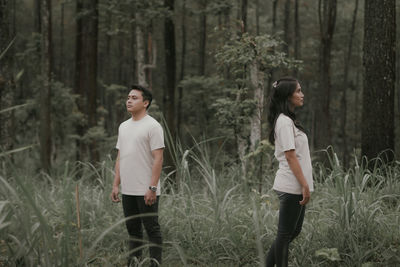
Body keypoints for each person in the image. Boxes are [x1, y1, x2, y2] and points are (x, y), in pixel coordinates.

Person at [111, 85, 164, 267]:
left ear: (146, 103)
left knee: (152, 229)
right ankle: (133, 264)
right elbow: (120, 156)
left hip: (147, 190)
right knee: (133, 230)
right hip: (128, 189)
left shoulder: (153, 126)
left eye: (134, 98)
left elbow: (158, 158)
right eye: (128, 97)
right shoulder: (123, 126)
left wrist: (152, 188)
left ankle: (155, 265)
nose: (129, 100)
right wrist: (116, 184)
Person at [265, 77, 314, 267]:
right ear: (288, 95)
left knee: (292, 232)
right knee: (285, 235)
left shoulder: (289, 121)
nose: (302, 95)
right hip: (291, 185)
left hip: (296, 186)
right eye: (298, 91)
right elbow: (291, 157)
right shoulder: (284, 122)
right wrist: (304, 185)